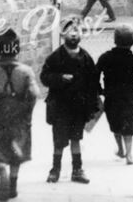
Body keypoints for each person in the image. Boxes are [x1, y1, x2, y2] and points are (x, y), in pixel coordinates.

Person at [0, 28, 39, 201]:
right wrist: (28, 110)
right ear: (17, 49)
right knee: (16, 149)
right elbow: (34, 93)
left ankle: (1, 170)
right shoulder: (26, 72)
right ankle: (12, 183)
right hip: (19, 119)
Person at [40, 19, 100, 184]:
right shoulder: (55, 57)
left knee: (76, 138)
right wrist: (60, 78)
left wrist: (92, 105)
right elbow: (44, 77)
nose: (74, 34)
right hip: (60, 106)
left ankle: (77, 170)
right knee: (59, 140)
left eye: (77, 30)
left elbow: (93, 82)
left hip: (78, 107)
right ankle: (55, 169)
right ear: (62, 34)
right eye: (70, 31)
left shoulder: (86, 57)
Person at [96, 24, 133, 165]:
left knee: (115, 123)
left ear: (115, 40)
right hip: (127, 98)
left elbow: (94, 75)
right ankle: (129, 155)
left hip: (110, 97)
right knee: (128, 123)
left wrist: (99, 90)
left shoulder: (105, 57)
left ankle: (120, 149)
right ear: (132, 42)